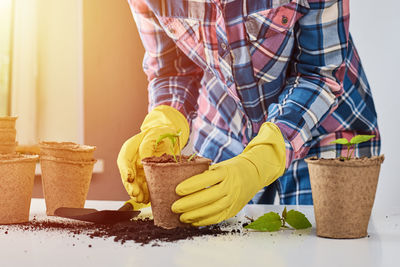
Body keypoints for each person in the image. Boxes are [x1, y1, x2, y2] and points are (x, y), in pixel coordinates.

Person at [117, 0, 381, 226]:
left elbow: (319, 73)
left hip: (323, 123)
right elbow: (172, 69)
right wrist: (165, 119)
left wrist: (267, 154)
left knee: (321, 249)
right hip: (226, 121)